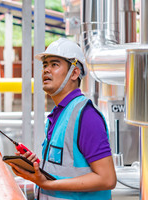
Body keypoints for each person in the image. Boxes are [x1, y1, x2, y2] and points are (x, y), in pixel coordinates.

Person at [9, 38, 116, 199]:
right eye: (45, 65)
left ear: (74, 73)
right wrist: (36, 167)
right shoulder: (58, 115)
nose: (46, 70)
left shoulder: (86, 115)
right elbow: (65, 169)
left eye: (54, 65)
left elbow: (107, 179)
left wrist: (47, 184)